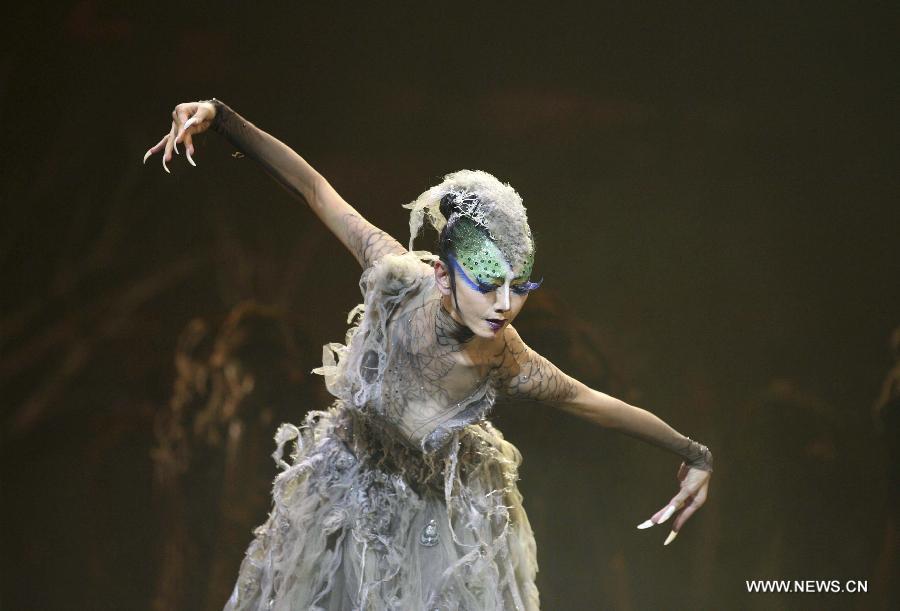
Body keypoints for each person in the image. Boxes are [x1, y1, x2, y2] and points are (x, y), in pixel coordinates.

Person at [144, 99, 713, 610]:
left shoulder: (503, 357)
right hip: (340, 491)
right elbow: (316, 189)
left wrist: (692, 452)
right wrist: (221, 118)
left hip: (428, 520)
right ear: (442, 275)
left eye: (519, 287)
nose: (505, 305)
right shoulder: (396, 277)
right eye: (488, 285)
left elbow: (590, 401)